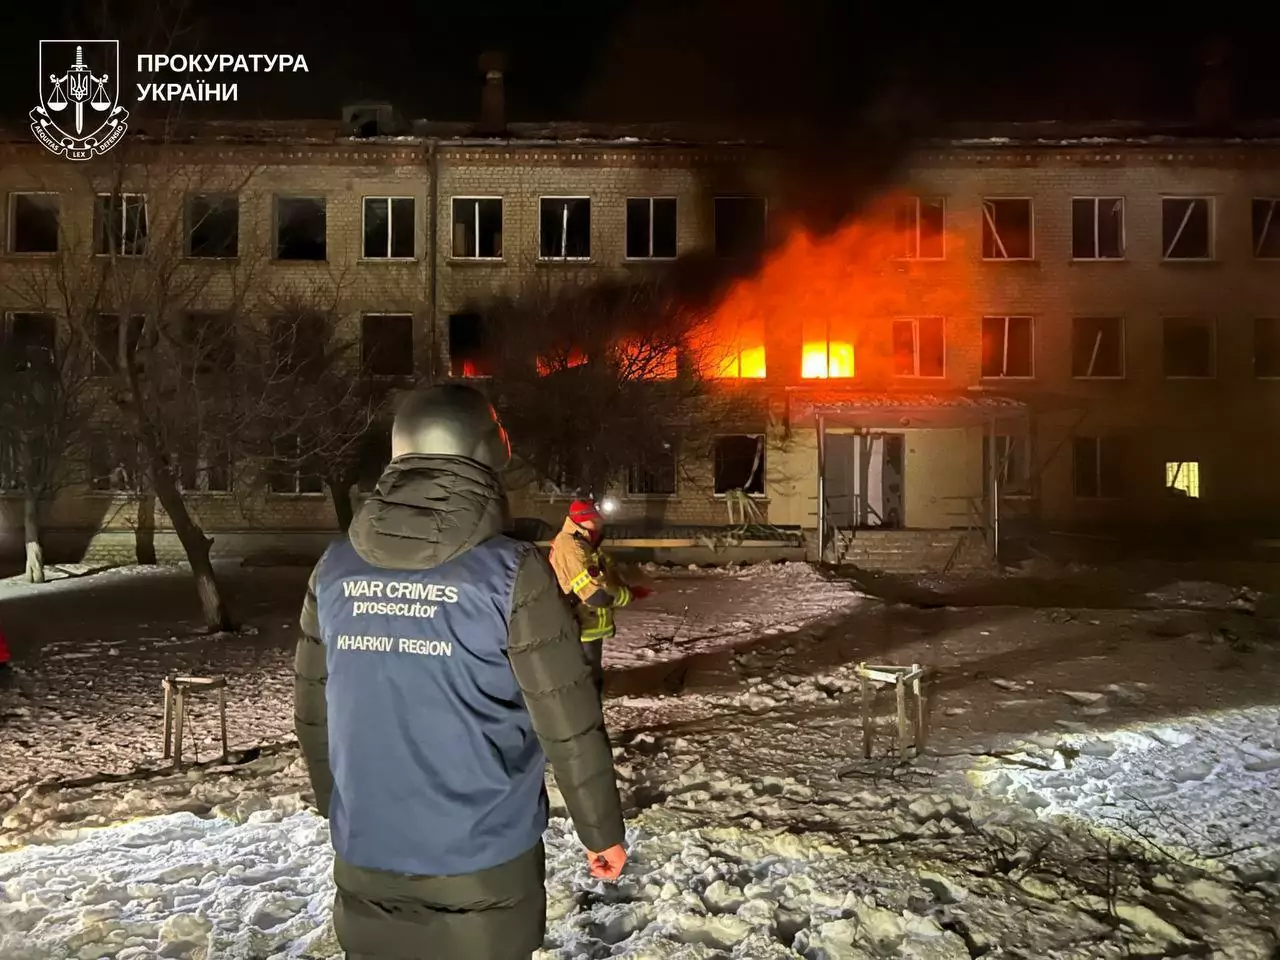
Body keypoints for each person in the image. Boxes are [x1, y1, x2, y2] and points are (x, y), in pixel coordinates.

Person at [294, 384, 627, 960]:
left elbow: (314, 710)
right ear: (488, 455)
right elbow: (565, 717)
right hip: (484, 862)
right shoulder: (511, 574)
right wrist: (600, 832)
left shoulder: (334, 568)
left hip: (366, 853)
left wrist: (340, 808)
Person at [548, 499, 651, 697]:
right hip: (581, 624)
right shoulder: (573, 547)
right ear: (583, 520)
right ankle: (587, 718)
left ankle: (590, 710)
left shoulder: (585, 542)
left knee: (592, 674)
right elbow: (594, 595)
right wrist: (628, 596)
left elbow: (604, 575)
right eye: (596, 519)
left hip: (589, 624)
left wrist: (626, 583)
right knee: (586, 681)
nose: (600, 523)